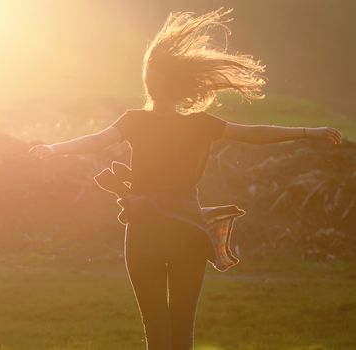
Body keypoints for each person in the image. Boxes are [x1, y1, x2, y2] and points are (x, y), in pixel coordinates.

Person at [28, 8, 342, 350]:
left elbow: (94, 141)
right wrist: (309, 132)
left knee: (156, 327)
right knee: (182, 327)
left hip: (146, 228)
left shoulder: (137, 121)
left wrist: (53, 149)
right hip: (185, 228)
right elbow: (255, 133)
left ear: (151, 82)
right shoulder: (200, 125)